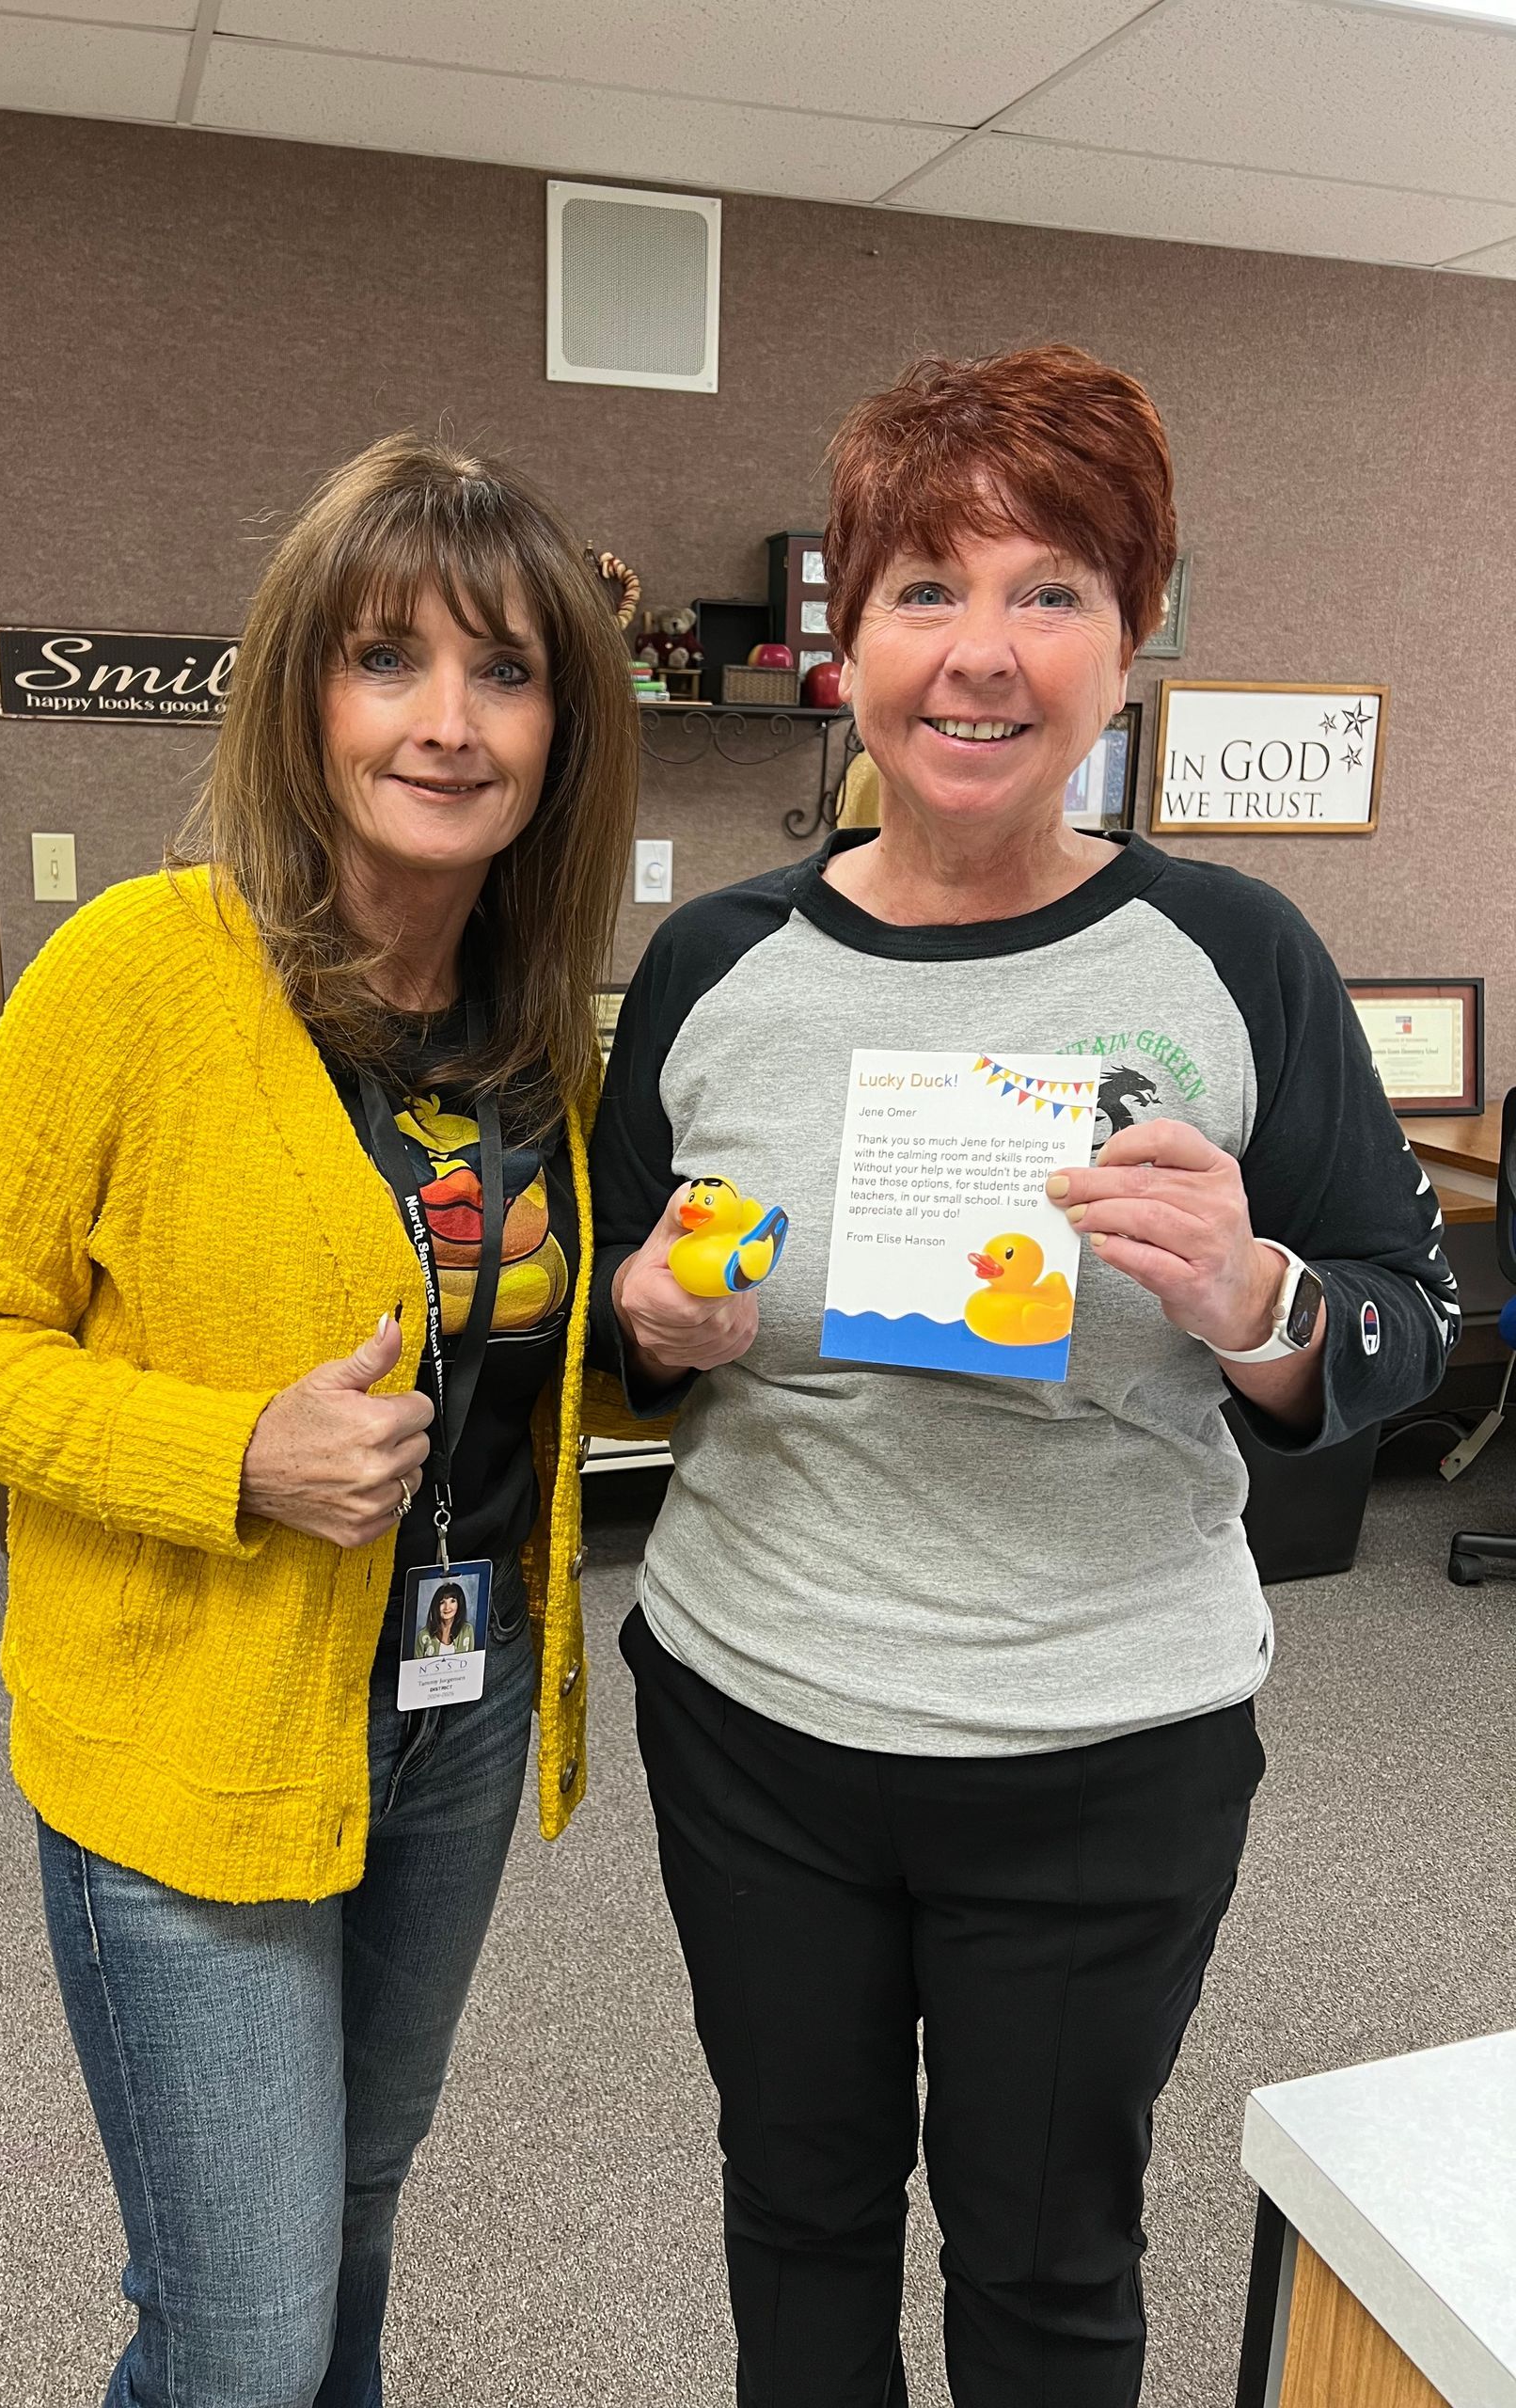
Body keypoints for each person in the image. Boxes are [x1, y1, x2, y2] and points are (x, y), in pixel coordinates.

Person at [589, 345, 1459, 2408]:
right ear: (849, 645)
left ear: (1131, 642)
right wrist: (647, 1329)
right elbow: (625, 1343)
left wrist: (1255, 1295)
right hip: (760, 1710)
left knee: (1050, 2252)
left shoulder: (1236, 953)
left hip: (1105, 1736)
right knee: (796, 2209)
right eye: (924, 590)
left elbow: (1411, 1319)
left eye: (1052, 590)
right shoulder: (718, 963)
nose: (981, 655)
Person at [0, 431, 640, 2408]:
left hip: (449, 1723)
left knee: (361, 2207)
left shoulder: (537, 1019)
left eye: (506, 670)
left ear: (565, 720)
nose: (450, 723)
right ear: (305, 689)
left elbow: (517, 1352)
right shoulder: (141, 968)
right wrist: (226, 1453)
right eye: (391, 659)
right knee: (242, 2327)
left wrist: (660, 1319)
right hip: (188, 1744)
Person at [415, 1579, 475, 1656]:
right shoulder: (423, 1636)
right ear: (436, 1606)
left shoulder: (467, 1630)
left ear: (459, 1604)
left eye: (452, 1601)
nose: (447, 1607)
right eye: (442, 1602)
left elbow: (472, 1662)